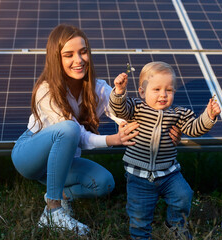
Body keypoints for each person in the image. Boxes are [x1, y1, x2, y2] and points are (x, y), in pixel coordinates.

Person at [11, 25, 182, 236]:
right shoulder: (46, 90)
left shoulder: (98, 88)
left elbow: (128, 114)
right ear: (56, 58)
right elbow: (76, 135)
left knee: (104, 183)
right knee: (69, 128)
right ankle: (53, 211)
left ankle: (60, 195)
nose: (79, 59)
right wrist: (111, 140)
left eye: (83, 52)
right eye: (69, 55)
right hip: (30, 156)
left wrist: (166, 128)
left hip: (61, 162)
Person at [109, 61, 221, 239]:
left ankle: (175, 226)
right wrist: (119, 92)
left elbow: (194, 128)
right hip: (139, 175)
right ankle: (140, 236)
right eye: (157, 90)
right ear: (142, 92)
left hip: (169, 173)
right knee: (139, 216)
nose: (163, 95)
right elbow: (119, 109)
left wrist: (209, 116)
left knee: (184, 195)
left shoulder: (179, 113)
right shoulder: (136, 108)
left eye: (168, 90)